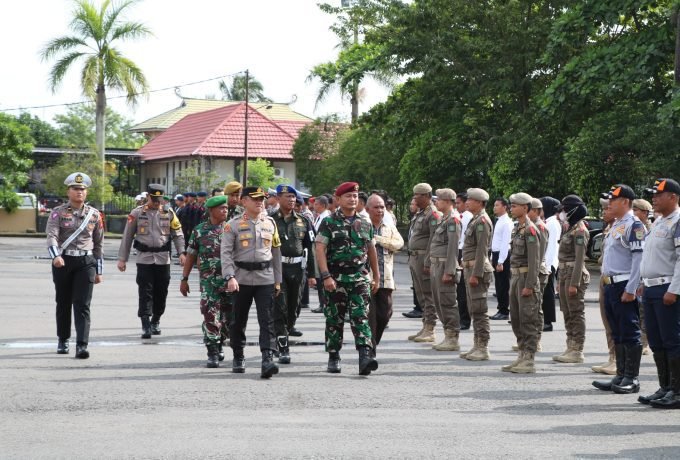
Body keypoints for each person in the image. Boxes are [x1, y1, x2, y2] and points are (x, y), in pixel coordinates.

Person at [315, 182, 380, 375]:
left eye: (355, 196)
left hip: (359, 277)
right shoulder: (329, 222)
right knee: (334, 318)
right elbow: (320, 249)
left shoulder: (365, 222)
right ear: (338, 199)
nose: (353, 199)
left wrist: (376, 276)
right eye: (348, 196)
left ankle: (365, 357)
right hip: (336, 278)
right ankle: (334, 355)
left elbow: (371, 249)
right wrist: (325, 276)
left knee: (361, 317)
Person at [221, 186, 283, 378]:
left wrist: (278, 280)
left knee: (267, 320)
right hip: (241, 278)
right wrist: (230, 277)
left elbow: (276, 252)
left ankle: (267, 359)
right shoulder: (233, 225)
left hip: (265, 278)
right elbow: (226, 253)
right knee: (238, 320)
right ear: (244, 201)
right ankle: (238, 355)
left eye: (261, 199)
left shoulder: (270, 223)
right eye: (255, 199)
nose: (259, 202)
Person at [593, 184, 646, 394]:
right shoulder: (617, 224)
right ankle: (621, 375)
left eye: (613, 200)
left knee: (630, 331)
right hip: (610, 285)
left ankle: (632, 378)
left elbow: (638, 259)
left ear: (625, 202)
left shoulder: (634, 225)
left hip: (624, 285)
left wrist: (631, 289)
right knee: (617, 331)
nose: (609, 203)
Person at [46, 172, 104, 359]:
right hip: (63, 261)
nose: (79, 192)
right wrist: (55, 256)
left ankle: (82, 345)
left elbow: (99, 244)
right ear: (68, 191)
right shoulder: (58, 212)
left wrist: (99, 270)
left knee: (82, 304)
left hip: (86, 263)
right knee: (63, 302)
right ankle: (63, 339)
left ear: (86, 192)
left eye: (82, 189)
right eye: (75, 188)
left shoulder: (94, 214)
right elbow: (52, 236)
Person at [117, 184, 186, 339]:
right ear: (148, 196)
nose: (156, 202)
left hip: (163, 259)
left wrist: (182, 252)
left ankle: (156, 320)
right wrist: (122, 259)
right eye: (153, 199)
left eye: (159, 199)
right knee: (145, 291)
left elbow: (178, 233)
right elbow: (127, 236)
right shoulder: (137, 213)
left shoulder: (169, 213)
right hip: (144, 259)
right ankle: (145, 323)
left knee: (161, 291)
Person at [638, 178, 680, 408]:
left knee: (672, 341)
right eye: (652, 195)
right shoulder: (659, 222)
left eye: (658, 195)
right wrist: (643, 281)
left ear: (673, 197)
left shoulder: (678, 221)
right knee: (656, 340)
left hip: (667, 288)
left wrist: (674, 290)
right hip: (652, 288)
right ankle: (665, 387)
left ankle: (677, 391)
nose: (653, 198)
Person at [180, 195, 233, 368]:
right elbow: (191, 255)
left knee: (229, 318)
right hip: (209, 282)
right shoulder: (199, 231)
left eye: (226, 208)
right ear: (211, 210)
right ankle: (212, 351)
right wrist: (184, 278)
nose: (225, 210)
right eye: (221, 208)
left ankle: (220, 341)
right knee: (210, 315)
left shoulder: (232, 228)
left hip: (229, 281)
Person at [270, 184, 317, 364]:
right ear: (278, 198)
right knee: (280, 307)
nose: (291, 200)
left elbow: (310, 248)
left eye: (293, 197)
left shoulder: (304, 221)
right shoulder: (270, 220)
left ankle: (284, 332)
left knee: (294, 309)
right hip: (278, 269)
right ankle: (283, 347)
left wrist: (312, 274)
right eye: (287, 196)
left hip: (298, 270)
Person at [502, 193, 541, 373]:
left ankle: (529, 359)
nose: (511, 208)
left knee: (528, 320)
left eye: (515, 206)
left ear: (525, 208)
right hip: (516, 277)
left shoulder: (530, 230)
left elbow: (534, 260)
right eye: (511, 205)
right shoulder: (517, 228)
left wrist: (530, 285)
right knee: (516, 319)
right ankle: (521, 355)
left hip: (526, 278)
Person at [553, 195, 589, 364]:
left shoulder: (580, 231)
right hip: (564, 273)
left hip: (574, 274)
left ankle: (577, 349)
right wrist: (560, 281)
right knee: (567, 312)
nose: (562, 213)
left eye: (564, 210)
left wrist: (574, 283)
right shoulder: (570, 229)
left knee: (575, 312)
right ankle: (570, 346)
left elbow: (580, 259)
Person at [366, 193, 404, 355]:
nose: (380, 210)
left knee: (385, 314)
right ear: (367, 209)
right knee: (369, 316)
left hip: (385, 278)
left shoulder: (388, 227)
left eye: (382, 207)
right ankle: (369, 350)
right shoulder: (361, 225)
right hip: (366, 278)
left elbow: (399, 244)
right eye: (376, 207)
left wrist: (380, 240)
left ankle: (372, 343)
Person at [459, 188, 494, 361]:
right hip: (469, 268)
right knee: (473, 309)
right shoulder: (475, 219)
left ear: (479, 203)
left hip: (477, 270)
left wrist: (476, 274)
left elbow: (482, 249)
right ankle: (476, 344)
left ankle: (483, 347)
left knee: (480, 310)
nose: (467, 202)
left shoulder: (482, 221)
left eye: (470, 200)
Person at [407, 183, 442, 342]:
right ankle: (425, 325)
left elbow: (433, 240)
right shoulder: (421, 213)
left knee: (428, 294)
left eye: (418, 196)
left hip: (423, 258)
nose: (415, 198)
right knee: (420, 294)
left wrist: (428, 262)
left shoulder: (433, 215)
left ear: (427, 196)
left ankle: (430, 328)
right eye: (414, 195)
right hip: (415, 257)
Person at [428, 188, 462, 351]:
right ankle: (447, 335)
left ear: (448, 202)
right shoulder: (444, 219)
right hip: (437, 265)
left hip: (444, 266)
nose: (436, 202)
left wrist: (449, 271)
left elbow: (453, 247)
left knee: (447, 302)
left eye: (439, 200)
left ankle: (452, 337)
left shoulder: (453, 220)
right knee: (439, 301)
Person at [591, 197, 618, 375]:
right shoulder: (609, 228)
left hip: (617, 280)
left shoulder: (624, 227)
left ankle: (618, 360)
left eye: (607, 209)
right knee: (607, 321)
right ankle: (612, 357)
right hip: (604, 277)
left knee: (616, 323)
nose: (603, 212)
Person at [540, 196, 561, 332]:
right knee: (544, 293)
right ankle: (544, 319)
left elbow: (551, 246)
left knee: (547, 293)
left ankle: (548, 321)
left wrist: (546, 266)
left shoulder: (552, 223)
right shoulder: (548, 222)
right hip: (546, 263)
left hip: (549, 263)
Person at [490, 197, 513, 320]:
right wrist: (492, 257)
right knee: (498, 284)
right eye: (494, 205)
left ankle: (504, 311)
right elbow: (495, 241)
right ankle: (501, 309)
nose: (494, 207)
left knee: (503, 285)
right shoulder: (499, 220)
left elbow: (505, 243)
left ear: (505, 207)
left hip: (502, 255)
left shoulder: (506, 222)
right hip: (496, 254)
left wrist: (500, 261)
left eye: (497, 205)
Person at [403, 197, 424, 319]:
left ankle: (420, 308)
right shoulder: (415, 218)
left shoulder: (426, 217)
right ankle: (418, 307)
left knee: (421, 285)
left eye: (413, 204)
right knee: (415, 284)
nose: (411, 206)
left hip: (421, 256)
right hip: (413, 255)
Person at [311, 195, 331, 314]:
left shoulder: (326, 218)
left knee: (322, 278)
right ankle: (322, 303)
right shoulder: (319, 217)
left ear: (323, 205)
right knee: (319, 279)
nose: (314, 206)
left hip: (323, 252)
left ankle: (325, 303)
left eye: (316, 204)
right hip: (317, 250)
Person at [456, 192, 473, 330]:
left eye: (458, 203)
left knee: (463, 289)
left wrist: (462, 257)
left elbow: (466, 239)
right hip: (459, 250)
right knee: (459, 288)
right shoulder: (460, 216)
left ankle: (465, 319)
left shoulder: (468, 217)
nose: (457, 206)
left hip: (463, 252)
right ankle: (462, 317)